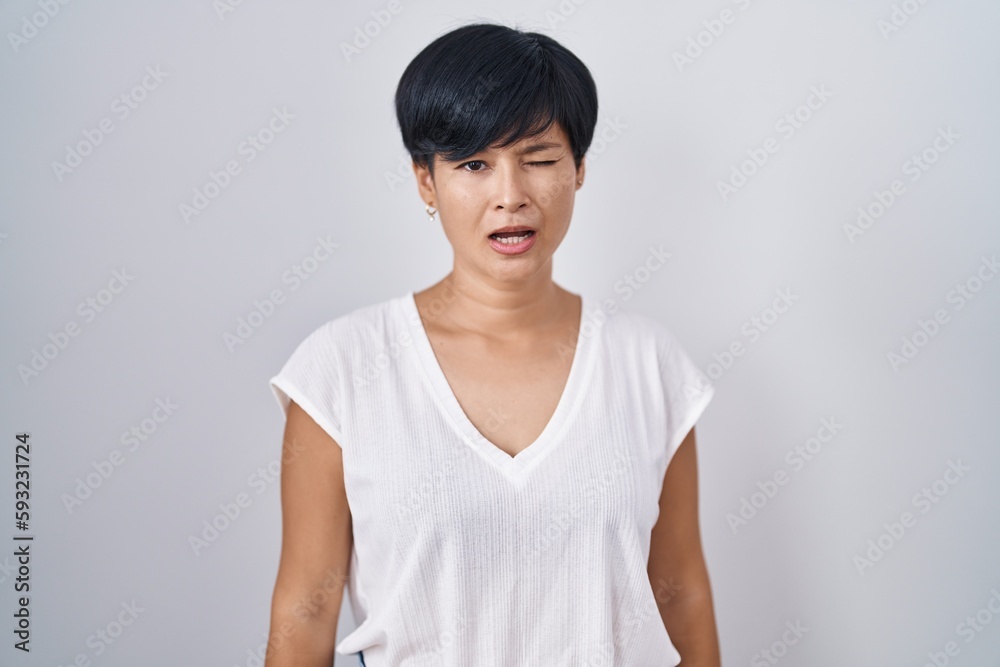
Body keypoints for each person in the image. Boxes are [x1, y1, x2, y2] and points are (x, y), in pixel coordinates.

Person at [264, 21, 721, 667]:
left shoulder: (649, 365)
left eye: (539, 159)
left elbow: (681, 592)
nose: (511, 196)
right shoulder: (342, 368)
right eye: (473, 164)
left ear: (580, 169)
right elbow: (307, 604)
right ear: (426, 180)